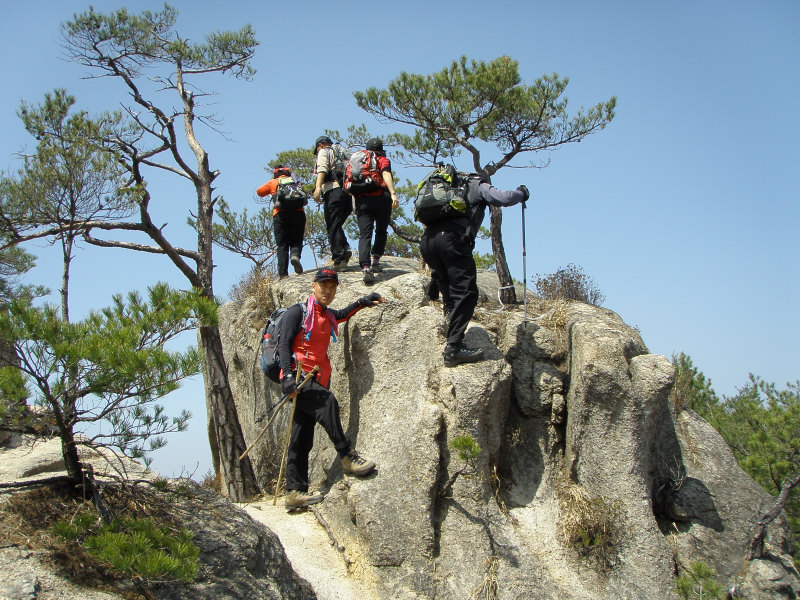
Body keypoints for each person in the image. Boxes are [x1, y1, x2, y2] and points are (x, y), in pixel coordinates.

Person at [277, 267, 384, 510]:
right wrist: (287, 378)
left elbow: (343, 314)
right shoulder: (298, 312)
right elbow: (283, 344)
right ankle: (346, 455)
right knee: (327, 401)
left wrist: (363, 302)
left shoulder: (326, 315)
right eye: (323, 285)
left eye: (332, 287)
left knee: (301, 436)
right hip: (299, 377)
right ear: (313, 286)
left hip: (315, 378)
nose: (327, 290)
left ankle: (295, 492)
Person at [419, 175, 529, 367]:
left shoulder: (445, 186)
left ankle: (451, 326)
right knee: (467, 293)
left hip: (427, 242)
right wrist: (522, 194)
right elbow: (503, 198)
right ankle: (453, 349)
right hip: (452, 239)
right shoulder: (477, 185)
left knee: (449, 288)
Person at [350, 138, 399, 284]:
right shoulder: (383, 159)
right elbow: (386, 174)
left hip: (362, 199)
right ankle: (376, 261)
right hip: (381, 198)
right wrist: (393, 193)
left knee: (365, 234)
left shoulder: (359, 160)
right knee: (381, 230)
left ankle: (365, 267)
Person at [256, 166, 307, 278]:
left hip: (280, 214)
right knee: (297, 240)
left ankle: (283, 274)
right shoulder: (295, 180)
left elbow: (259, 192)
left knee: (282, 244)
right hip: (298, 213)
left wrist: (272, 189)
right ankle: (295, 255)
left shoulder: (274, 182)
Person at [312, 136, 353, 272]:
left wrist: (318, 187)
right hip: (348, 193)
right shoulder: (344, 152)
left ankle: (339, 259)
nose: (317, 152)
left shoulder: (325, 151)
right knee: (337, 224)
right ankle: (345, 247)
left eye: (317, 149)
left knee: (333, 225)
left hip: (333, 191)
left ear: (321, 145)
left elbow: (322, 169)